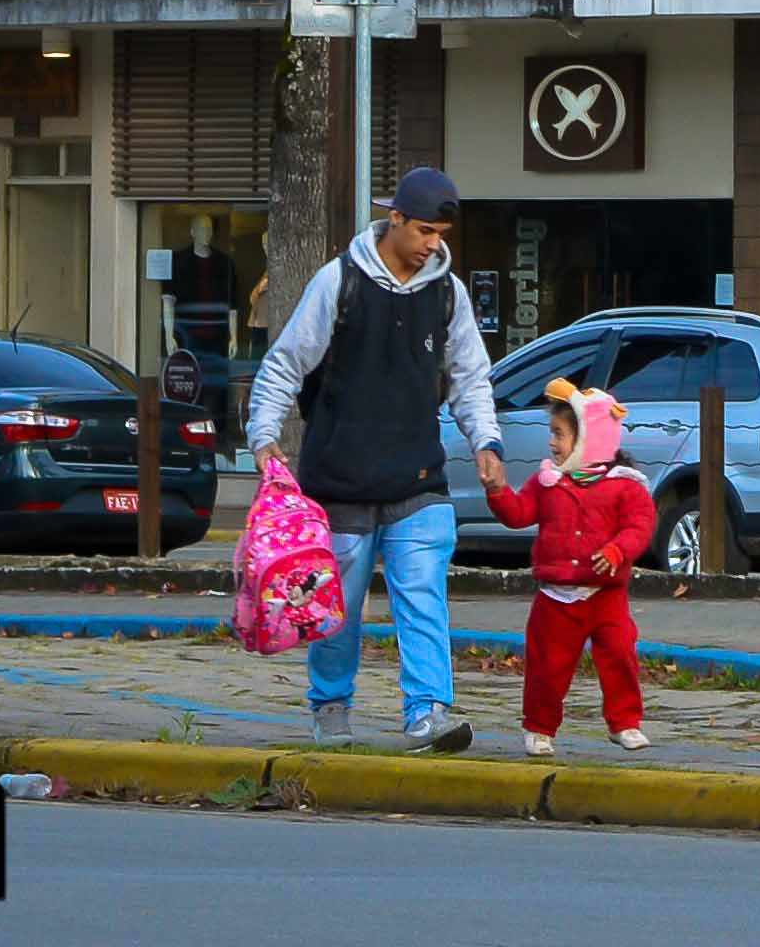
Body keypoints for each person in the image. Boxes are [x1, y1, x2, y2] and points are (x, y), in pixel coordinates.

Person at [245, 162, 514, 750]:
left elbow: (471, 376)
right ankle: (332, 706)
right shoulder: (337, 282)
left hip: (418, 475)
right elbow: (285, 364)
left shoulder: (448, 292)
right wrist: (264, 439)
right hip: (338, 478)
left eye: (441, 236)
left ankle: (428, 711)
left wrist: (485, 442)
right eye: (424, 232)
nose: (432, 246)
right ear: (394, 219)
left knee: (422, 593)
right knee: (336, 609)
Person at [514, 384, 652, 758]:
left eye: (559, 434)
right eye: (552, 434)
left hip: (605, 596)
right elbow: (519, 514)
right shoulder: (547, 482)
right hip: (555, 598)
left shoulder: (624, 486)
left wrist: (617, 549)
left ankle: (625, 722)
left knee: (620, 655)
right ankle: (539, 727)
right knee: (547, 667)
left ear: (589, 439)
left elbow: (640, 525)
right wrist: (497, 492)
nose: (552, 443)